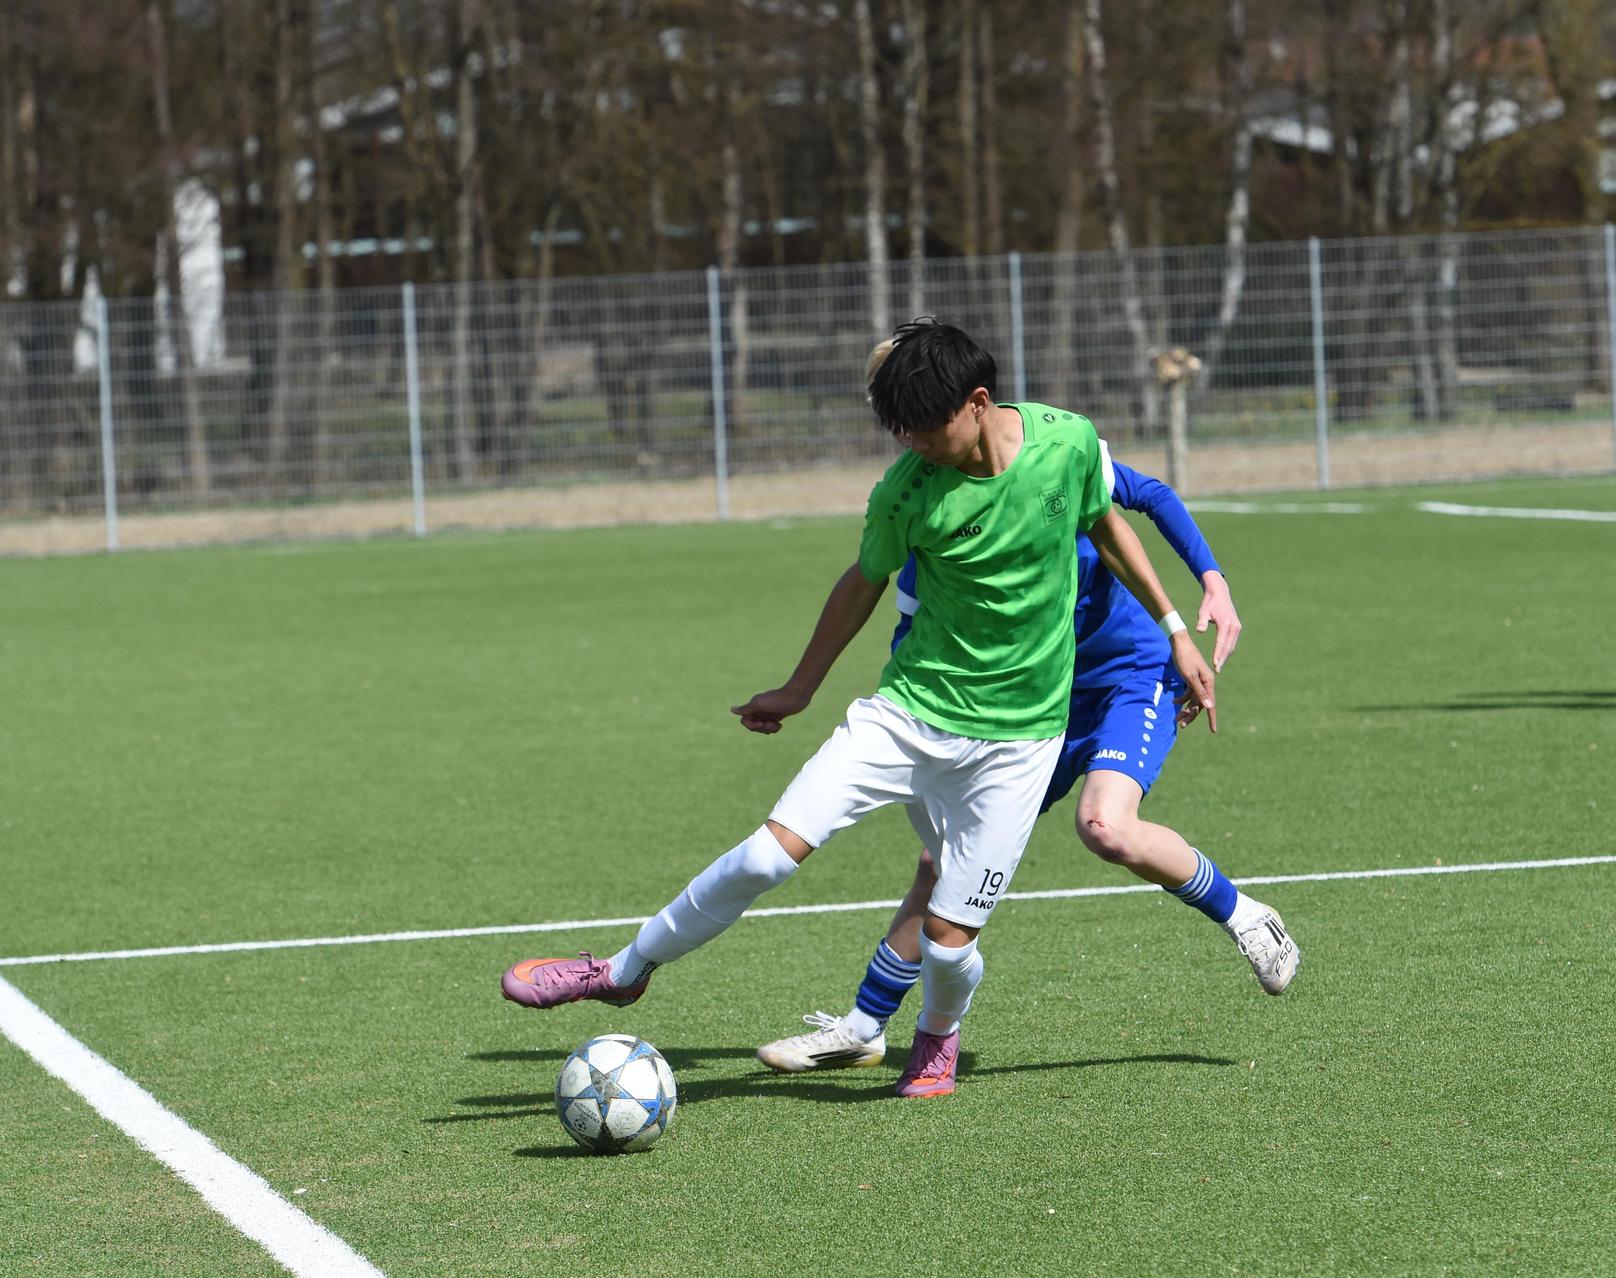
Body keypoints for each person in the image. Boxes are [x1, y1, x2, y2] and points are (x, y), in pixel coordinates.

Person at [502, 319, 1217, 1098]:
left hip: (1020, 742)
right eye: (899, 431)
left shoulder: (1068, 443)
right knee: (766, 856)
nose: (913, 445)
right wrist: (799, 687)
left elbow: (1106, 522)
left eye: (925, 428)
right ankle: (624, 969)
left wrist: (1176, 628)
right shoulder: (906, 492)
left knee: (948, 944)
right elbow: (861, 583)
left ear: (979, 402)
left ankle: (935, 1042)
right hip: (907, 716)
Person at [755, 389, 1298, 1073]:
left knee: (1107, 826)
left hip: (1130, 671)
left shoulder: (1055, 459)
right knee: (943, 862)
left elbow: (1151, 494)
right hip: (1032, 702)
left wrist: (1210, 581)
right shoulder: (933, 519)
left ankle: (1247, 915)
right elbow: (913, 637)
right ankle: (864, 1024)